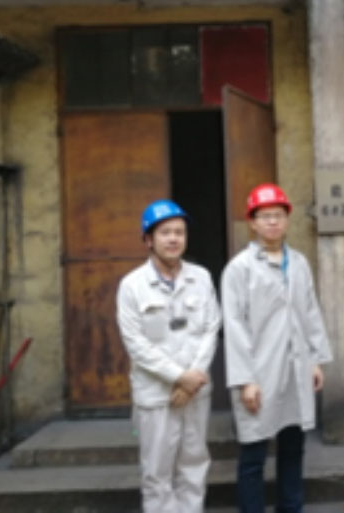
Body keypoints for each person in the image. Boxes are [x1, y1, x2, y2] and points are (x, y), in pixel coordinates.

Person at [221, 183, 332, 513]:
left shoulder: (298, 262)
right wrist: (245, 380)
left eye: (278, 215)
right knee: (253, 455)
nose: (272, 222)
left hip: (296, 368)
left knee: (293, 449)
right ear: (252, 223)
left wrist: (315, 359)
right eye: (265, 216)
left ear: (287, 220)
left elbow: (310, 312)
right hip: (259, 372)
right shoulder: (239, 268)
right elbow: (234, 326)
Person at [116, 199, 222, 513]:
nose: (173, 239)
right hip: (155, 393)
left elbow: (211, 328)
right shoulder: (132, 285)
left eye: (179, 232)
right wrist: (179, 377)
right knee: (156, 471)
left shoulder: (201, 277)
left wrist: (192, 380)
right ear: (148, 240)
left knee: (194, 463)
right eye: (165, 233)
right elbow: (135, 343)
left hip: (195, 391)